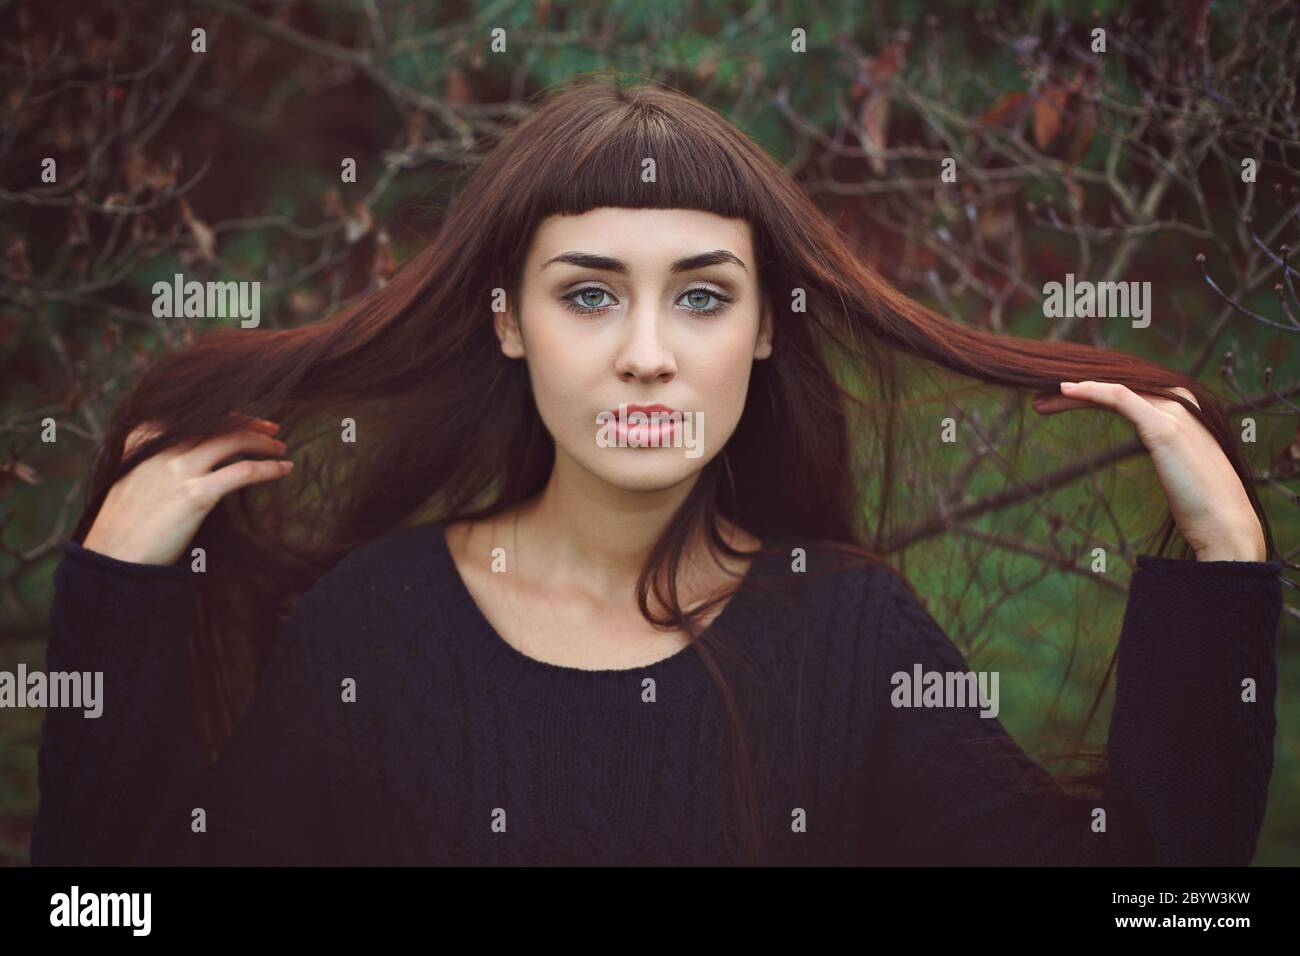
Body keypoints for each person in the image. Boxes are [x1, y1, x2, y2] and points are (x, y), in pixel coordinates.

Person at [30, 77, 1282, 866]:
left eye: (699, 297)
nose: (645, 357)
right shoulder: (375, 623)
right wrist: (118, 597)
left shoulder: (846, 630)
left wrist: (1226, 578)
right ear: (509, 321)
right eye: (587, 295)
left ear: (766, 324)